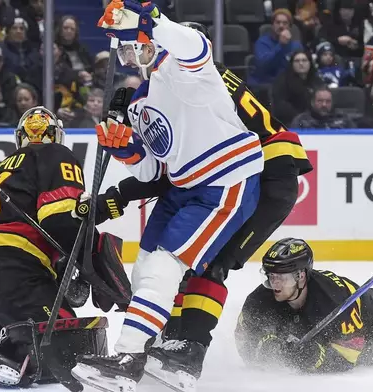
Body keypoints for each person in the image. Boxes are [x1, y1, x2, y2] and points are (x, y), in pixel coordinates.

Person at [72, 2, 264, 391]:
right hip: (181, 187)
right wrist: (126, 150)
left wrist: (152, 21)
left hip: (223, 183)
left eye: (130, 47)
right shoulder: (140, 101)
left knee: (164, 266)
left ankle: (127, 357)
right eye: (121, 51)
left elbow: (194, 45)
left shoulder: (187, 69)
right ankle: (154, 350)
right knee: (144, 270)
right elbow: (152, 170)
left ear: (150, 42)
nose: (126, 58)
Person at [0, 106, 131, 389]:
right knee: (68, 342)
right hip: (14, 272)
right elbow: (60, 220)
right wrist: (94, 265)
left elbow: (51, 220)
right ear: (56, 135)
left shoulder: (7, 166)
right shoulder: (57, 155)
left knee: (11, 320)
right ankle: (13, 355)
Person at [235, 237, 373, 372]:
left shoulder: (332, 300)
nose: (274, 283)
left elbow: (348, 358)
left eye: (281, 277)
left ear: (301, 276)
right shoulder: (259, 301)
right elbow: (245, 341)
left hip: (371, 313)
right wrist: (267, 346)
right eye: (270, 276)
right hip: (340, 333)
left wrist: (314, 358)